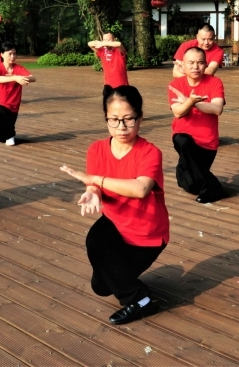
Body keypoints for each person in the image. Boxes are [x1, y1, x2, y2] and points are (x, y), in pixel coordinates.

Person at [60, 85, 168, 325]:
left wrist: (95, 181)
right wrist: (93, 192)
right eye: (114, 120)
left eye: (129, 119)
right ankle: (125, 282)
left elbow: (140, 189)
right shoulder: (97, 149)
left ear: (140, 118)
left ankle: (141, 300)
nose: (121, 127)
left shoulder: (150, 152)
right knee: (100, 286)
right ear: (106, 119)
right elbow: (94, 183)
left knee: (102, 254)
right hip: (117, 222)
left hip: (146, 234)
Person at [169, 47, 226, 203]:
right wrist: (189, 101)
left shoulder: (215, 82)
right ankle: (214, 188)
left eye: (200, 63)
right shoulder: (176, 84)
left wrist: (192, 103)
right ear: (183, 65)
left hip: (207, 144)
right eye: (191, 63)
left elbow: (217, 109)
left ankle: (202, 182)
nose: (195, 67)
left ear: (206, 65)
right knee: (181, 139)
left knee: (191, 186)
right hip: (186, 142)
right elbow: (178, 112)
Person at [0, 41, 35, 146]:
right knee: (8, 126)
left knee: (2, 134)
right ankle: (11, 136)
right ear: (2, 54)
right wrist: (14, 77)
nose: (13, 56)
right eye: (10, 53)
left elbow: (33, 78)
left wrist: (21, 77)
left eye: (14, 53)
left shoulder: (19, 68)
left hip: (13, 106)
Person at [88, 32, 129, 100]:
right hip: (108, 86)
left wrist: (103, 43)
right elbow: (89, 43)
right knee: (108, 109)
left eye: (108, 40)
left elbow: (119, 44)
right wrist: (101, 43)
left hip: (122, 86)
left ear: (114, 39)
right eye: (104, 40)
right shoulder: (102, 51)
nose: (105, 42)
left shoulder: (119, 50)